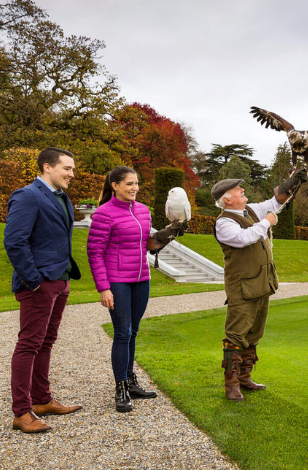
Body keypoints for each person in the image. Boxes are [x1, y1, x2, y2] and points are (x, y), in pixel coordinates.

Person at [86, 166, 184, 413]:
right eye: (129, 184)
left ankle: (131, 381)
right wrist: (103, 288)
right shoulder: (103, 214)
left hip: (141, 278)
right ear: (115, 185)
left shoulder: (143, 211)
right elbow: (95, 253)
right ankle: (120, 388)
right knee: (122, 332)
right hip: (117, 281)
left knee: (134, 331)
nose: (135, 188)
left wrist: (168, 234)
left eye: (137, 183)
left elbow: (148, 245)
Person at [5, 147, 82, 434]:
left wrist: (62, 280)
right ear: (47, 167)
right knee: (29, 344)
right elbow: (15, 242)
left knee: (46, 342)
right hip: (39, 284)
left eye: (72, 169)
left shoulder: (62, 198)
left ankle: (41, 400)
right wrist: (34, 280)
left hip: (61, 280)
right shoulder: (28, 195)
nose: (72, 174)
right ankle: (21, 412)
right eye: (67, 168)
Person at [211, 170, 306, 401]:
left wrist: (290, 184)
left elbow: (275, 202)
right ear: (226, 199)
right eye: (237, 190)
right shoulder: (224, 222)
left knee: (254, 334)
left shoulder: (250, 210)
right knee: (235, 336)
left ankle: (245, 378)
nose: (242, 191)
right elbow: (244, 238)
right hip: (242, 288)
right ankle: (231, 384)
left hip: (263, 284)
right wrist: (267, 221)